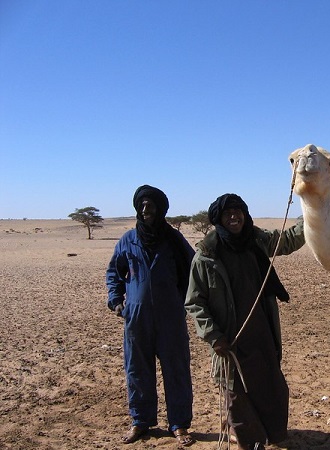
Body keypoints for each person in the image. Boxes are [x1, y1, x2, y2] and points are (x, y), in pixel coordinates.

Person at [185, 193, 305, 450]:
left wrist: (314, 210)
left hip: (262, 332)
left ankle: (273, 435)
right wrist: (213, 336)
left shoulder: (257, 240)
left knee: (271, 387)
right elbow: (195, 303)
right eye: (228, 213)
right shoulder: (205, 256)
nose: (233, 216)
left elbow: (289, 239)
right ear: (218, 218)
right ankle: (248, 443)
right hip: (229, 339)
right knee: (236, 395)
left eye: (238, 211)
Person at [106, 185, 195, 446]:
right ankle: (140, 422)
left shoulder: (174, 240)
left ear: (161, 209)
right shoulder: (128, 240)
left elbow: (193, 271)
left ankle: (179, 425)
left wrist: (187, 301)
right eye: (142, 205)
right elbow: (114, 273)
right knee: (137, 371)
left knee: (176, 371)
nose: (146, 210)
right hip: (136, 319)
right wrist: (116, 301)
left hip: (171, 319)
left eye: (151, 205)